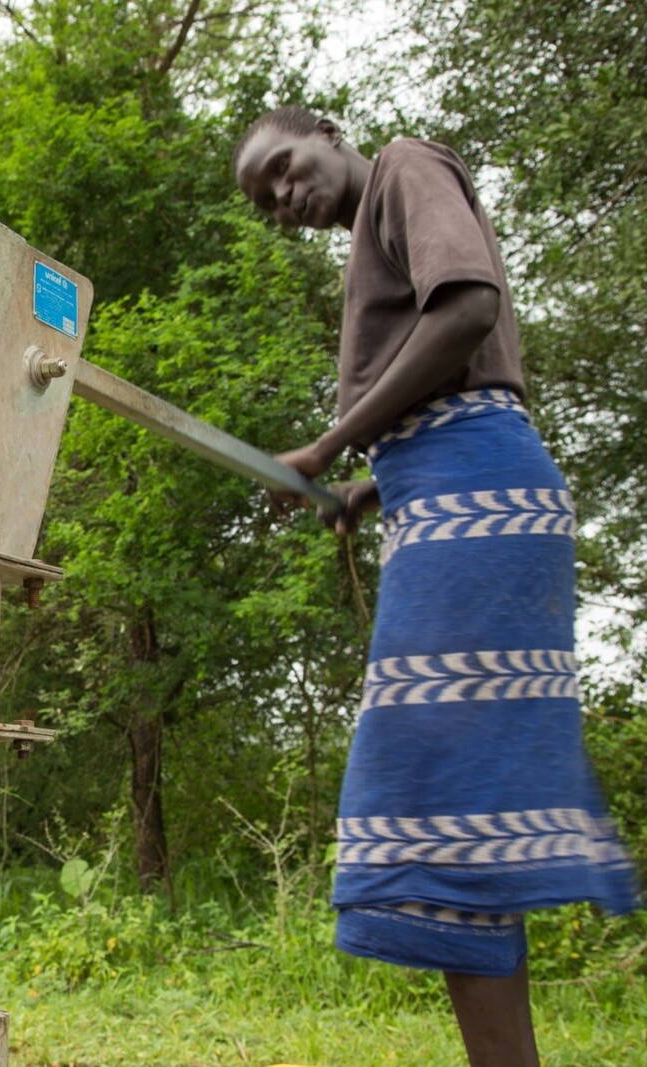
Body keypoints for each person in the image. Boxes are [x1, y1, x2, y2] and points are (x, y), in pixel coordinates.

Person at [233, 107, 637, 1066]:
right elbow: (459, 386)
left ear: (328, 132)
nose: (285, 199)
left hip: (480, 499)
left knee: (433, 792)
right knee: (459, 815)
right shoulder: (373, 233)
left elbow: (469, 309)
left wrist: (332, 442)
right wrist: (373, 483)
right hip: (453, 495)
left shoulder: (405, 168)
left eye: (285, 170)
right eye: (268, 202)